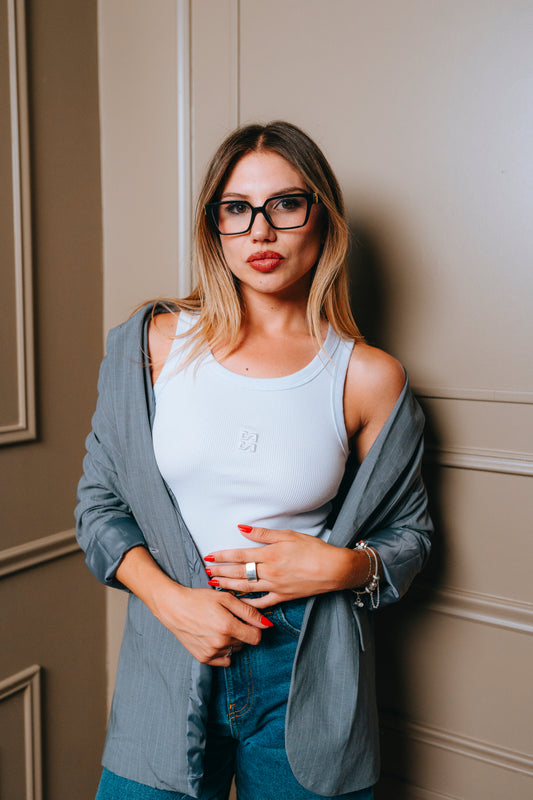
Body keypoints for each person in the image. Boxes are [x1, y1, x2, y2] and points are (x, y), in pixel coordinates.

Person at [76, 120, 432, 800]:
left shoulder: (367, 377)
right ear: (214, 227)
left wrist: (343, 566)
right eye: (236, 209)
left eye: (285, 204)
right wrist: (173, 604)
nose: (259, 231)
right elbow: (98, 507)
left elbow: (409, 537)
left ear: (322, 218)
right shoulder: (151, 344)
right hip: (171, 650)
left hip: (306, 664)